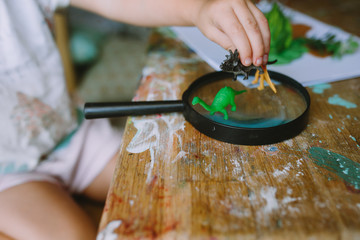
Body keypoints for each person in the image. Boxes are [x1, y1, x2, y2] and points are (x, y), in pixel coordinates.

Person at [0, 0, 270, 239]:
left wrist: (198, 9)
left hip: (71, 136)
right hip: (8, 174)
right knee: (73, 235)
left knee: (176, 178)